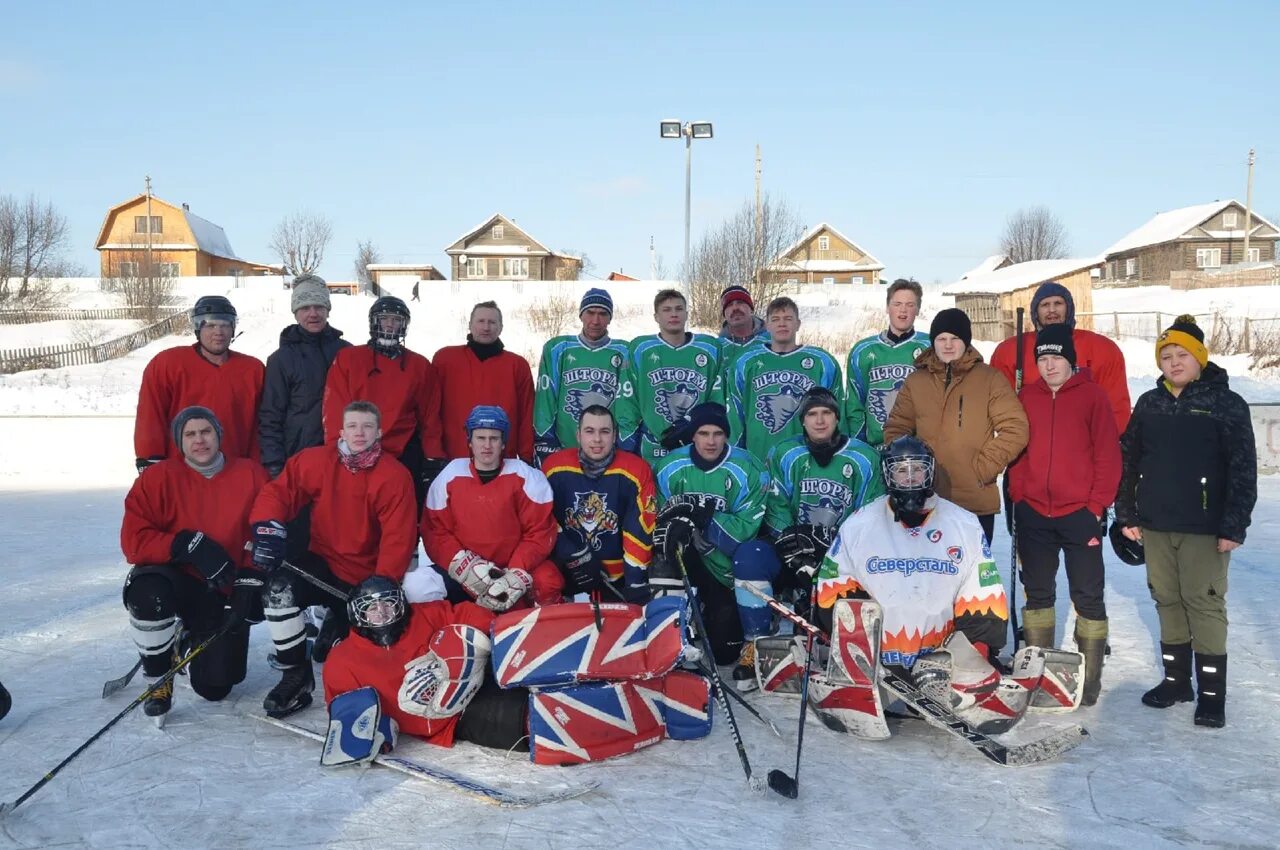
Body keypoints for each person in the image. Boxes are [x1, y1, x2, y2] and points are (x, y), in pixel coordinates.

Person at [816, 437, 1036, 733]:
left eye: (917, 469)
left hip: (941, 663)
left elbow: (982, 593)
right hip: (877, 663)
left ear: (929, 472)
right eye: (900, 471)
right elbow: (834, 589)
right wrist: (850, 648)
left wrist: (977, 651)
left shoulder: (964, 524)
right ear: (887, 475)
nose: (909, 478)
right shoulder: (858, 524)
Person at [1115, 315, 1256, 728]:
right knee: (1166, 599)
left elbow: (1243, 469)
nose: (1174, 363)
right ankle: (1177, 682)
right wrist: (1126, 513)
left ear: (1199, 358)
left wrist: (1234, 525)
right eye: (1166, 356)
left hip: (1205, 527)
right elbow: (1128, 460)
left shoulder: (1226, 403)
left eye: (1182, 355)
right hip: (1156, 524)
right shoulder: (1150, 403)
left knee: (1204, 603)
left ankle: (1212, 696)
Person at [249, 400, 418, 718]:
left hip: (364, 579)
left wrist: (381, 591)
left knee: (357, 654)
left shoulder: (395, 476)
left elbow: (399, 537)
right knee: (278, 589)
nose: (359, 432)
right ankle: (295, 675)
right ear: (340, 431)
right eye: (352, 426)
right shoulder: (317, 461)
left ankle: (337, 623)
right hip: (322, 564)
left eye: (367, 426)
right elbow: (280, 492)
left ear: (379, 432)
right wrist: (267, 526)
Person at [120, 406, 269, 722]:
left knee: (216, 688)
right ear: (179, 441)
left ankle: (183, 642)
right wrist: (182, 545)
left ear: (219, 436)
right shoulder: (159, 478)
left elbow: (266, 530)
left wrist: (249, 580)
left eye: (206, 432)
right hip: (177, 580)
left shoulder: (251, 473)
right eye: (190, 434)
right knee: (148, 593)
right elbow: (133, 541)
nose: (199, 440)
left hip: (222, 588)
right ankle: (158, 676)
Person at [1008, 325, 1121, 706]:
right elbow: (1017, 452)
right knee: (1037, 594)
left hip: (1080, 514)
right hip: (1035, 512)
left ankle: (1088, 682)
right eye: (1042, 358)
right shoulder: (1027, 396)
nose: (1049, 365)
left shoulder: (1092, 396)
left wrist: (1096, 506)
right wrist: (1019, 495)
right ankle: (1038, 673)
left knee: (1087, 595)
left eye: (1056, 357)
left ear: (1070, 360)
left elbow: (1108, 454)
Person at [322, 576, 531, 753]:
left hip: (476, 680)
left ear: (400, 603)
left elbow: (468, 615)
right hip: (455, 718)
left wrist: (503, 631)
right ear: (358, 613)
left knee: (533, 682)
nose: (382, 612)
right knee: (524, 720)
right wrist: (375, 735)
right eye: (372, 607)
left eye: (389, 603)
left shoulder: (425, 615)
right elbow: (345, 712)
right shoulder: (342, 661)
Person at [883, 308, 1028, 543]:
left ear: (966, 341)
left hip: (973, 500)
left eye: (954, 339)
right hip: (923, 500)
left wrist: (984, 468)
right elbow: (896, 429)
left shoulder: (990, 379)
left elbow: (1016, 428)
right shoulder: (916, 381)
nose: (948, 345)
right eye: (941, 339)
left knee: (971, 574)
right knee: (926, 575)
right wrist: (908, 471)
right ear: (933, 342)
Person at [653, 402, 770, 667]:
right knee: (663, 555)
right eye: (703, 433)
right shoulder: (668, 466)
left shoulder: (749, 468)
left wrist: (705, 518)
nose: (711, 441)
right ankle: (670, 631)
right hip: (685, 559)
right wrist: (680, 524)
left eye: (718, 433)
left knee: (724, 654)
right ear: (692, 434)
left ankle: (713, 614)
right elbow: (657, 518)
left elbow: (744, 531)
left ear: (727, 435)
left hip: (723, 565)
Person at [422, 405, 565, 610]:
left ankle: (548, 633)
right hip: (470, 569)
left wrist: (515, 572)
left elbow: (540, 531)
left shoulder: (525, 476)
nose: (487, 445)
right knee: (418, 586)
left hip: (514, 566)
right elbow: (435, 531)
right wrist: (465, 566)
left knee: (548, 581)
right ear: (470, 441)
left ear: (503, 442)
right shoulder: (450, 475)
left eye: (494, 438)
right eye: (480, 438)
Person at [323, 296, 445, 509]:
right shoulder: (349, 359)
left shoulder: (419, 366)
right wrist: (337, 450)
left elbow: (429, 416)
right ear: (374, 322)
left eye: (396, 319)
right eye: (384, 318)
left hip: (403, 453)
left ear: (404, 325)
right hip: (356, 452)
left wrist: (433, 457)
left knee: (401, 515)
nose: (389, 324)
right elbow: (335, 408)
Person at [134, 295, 264, 470]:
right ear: (197, 328)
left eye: (225, 324)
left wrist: (258, 467)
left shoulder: (253, 369)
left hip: (234, 472)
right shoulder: (168, 364)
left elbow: (261, 426)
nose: (218, 332)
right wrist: (150, 460)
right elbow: (151, 415)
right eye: (210, 325)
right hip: (181, 473)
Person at [543, 405, 657, 603]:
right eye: (590, 431)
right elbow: (542, 520)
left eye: (605, 431)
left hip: (617, 580)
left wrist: (635, 582)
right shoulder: (553, 467)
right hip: (569, 571)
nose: (597, 439)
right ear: (578, 435)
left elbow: (639, 529)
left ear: (615, 436)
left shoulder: (636, 470)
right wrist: (572, 555)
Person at [989, 281, 1131, 435]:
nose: (1052, 310)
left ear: (1068, 308)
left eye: (1058, 303)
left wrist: (1099, 442)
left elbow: (1116, 407)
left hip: (1084, 444)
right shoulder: (1011, 351)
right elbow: (999, 407)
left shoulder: (1102, 349)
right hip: (1031, 444)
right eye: (1045, 305)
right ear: (1035, 312)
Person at [614, 288, 723, 468]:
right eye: (667, 310)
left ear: (687, 314)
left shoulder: (709, 348)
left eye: (679, 309)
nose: (674, 314)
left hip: (696, 442)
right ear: (656, 316)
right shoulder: (640, 349)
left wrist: (694, 423)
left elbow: (716, 398)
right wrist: (627, 441)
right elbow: (628, 398)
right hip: (651, 443)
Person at [730, 296, 842, 462]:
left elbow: (837, 414)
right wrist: (736, 456)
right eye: (775, 319)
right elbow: (735, 414)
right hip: (758, 458)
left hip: (808, 459)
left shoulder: (822, 362)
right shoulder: (745, 362)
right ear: (767, 325)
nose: (782, 324)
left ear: (798, 324)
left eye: (788, 319)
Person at [259, 275, 350, 479]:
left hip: (345, 455)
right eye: (305, 308)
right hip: (299, 456)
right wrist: (274, 464)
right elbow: (271, 416)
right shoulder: (281, 359)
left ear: (327, 309)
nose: (313, 314)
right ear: (296, 313)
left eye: (319, 306)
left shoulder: (347, 353)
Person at [532, 288, 633, 466]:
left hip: (607, 447)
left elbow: (628, 402)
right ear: (581, 315)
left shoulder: (624, 351)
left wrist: (625, 440)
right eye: (590, 312)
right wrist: (544, 438)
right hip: (565, 446)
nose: (596, 320)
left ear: (610, 318)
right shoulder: (558, 348)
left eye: (603, 314)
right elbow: (545, 397)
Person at [433, 301, 535, 463]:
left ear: (501, 327)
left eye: (492, 322)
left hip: (502, 460)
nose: (486, 327)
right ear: (470, 325)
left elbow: (527, 414)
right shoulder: (445, 359)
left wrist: (526, 456)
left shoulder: (517, 365)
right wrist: (434, 453)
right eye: (481, 321)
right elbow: (431, 411)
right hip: (455, 458)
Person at [844, 279, 931, 446]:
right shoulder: (862, 351)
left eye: (910, 305)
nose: (903, 310)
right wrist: (860, 446)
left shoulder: (930, 346)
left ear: (918, 309)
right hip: (876, 447)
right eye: (897, 304)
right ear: (887, 307)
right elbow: (855, 405)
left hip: (919, 450)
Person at [717, 284, 769, 394]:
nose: (735, 308)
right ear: (724, 314)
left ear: (751, 308)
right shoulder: (717, 349)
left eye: (740, 302)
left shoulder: (772, 342)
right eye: (729, 305)